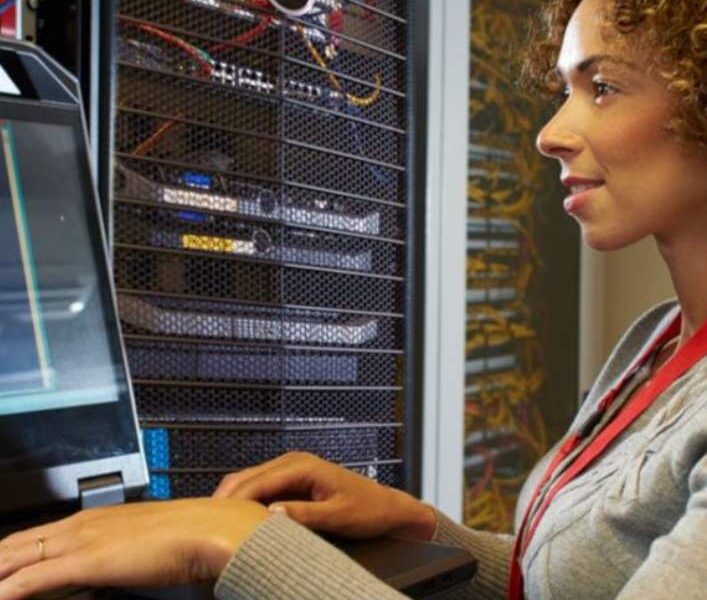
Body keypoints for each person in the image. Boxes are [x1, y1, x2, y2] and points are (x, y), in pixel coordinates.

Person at [1, 0, 705, 598]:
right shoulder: (658, 342)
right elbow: (584, 578)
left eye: (602, 87)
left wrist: (230, 543)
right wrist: (424, 530)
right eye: (561, 90)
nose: (549, 133)